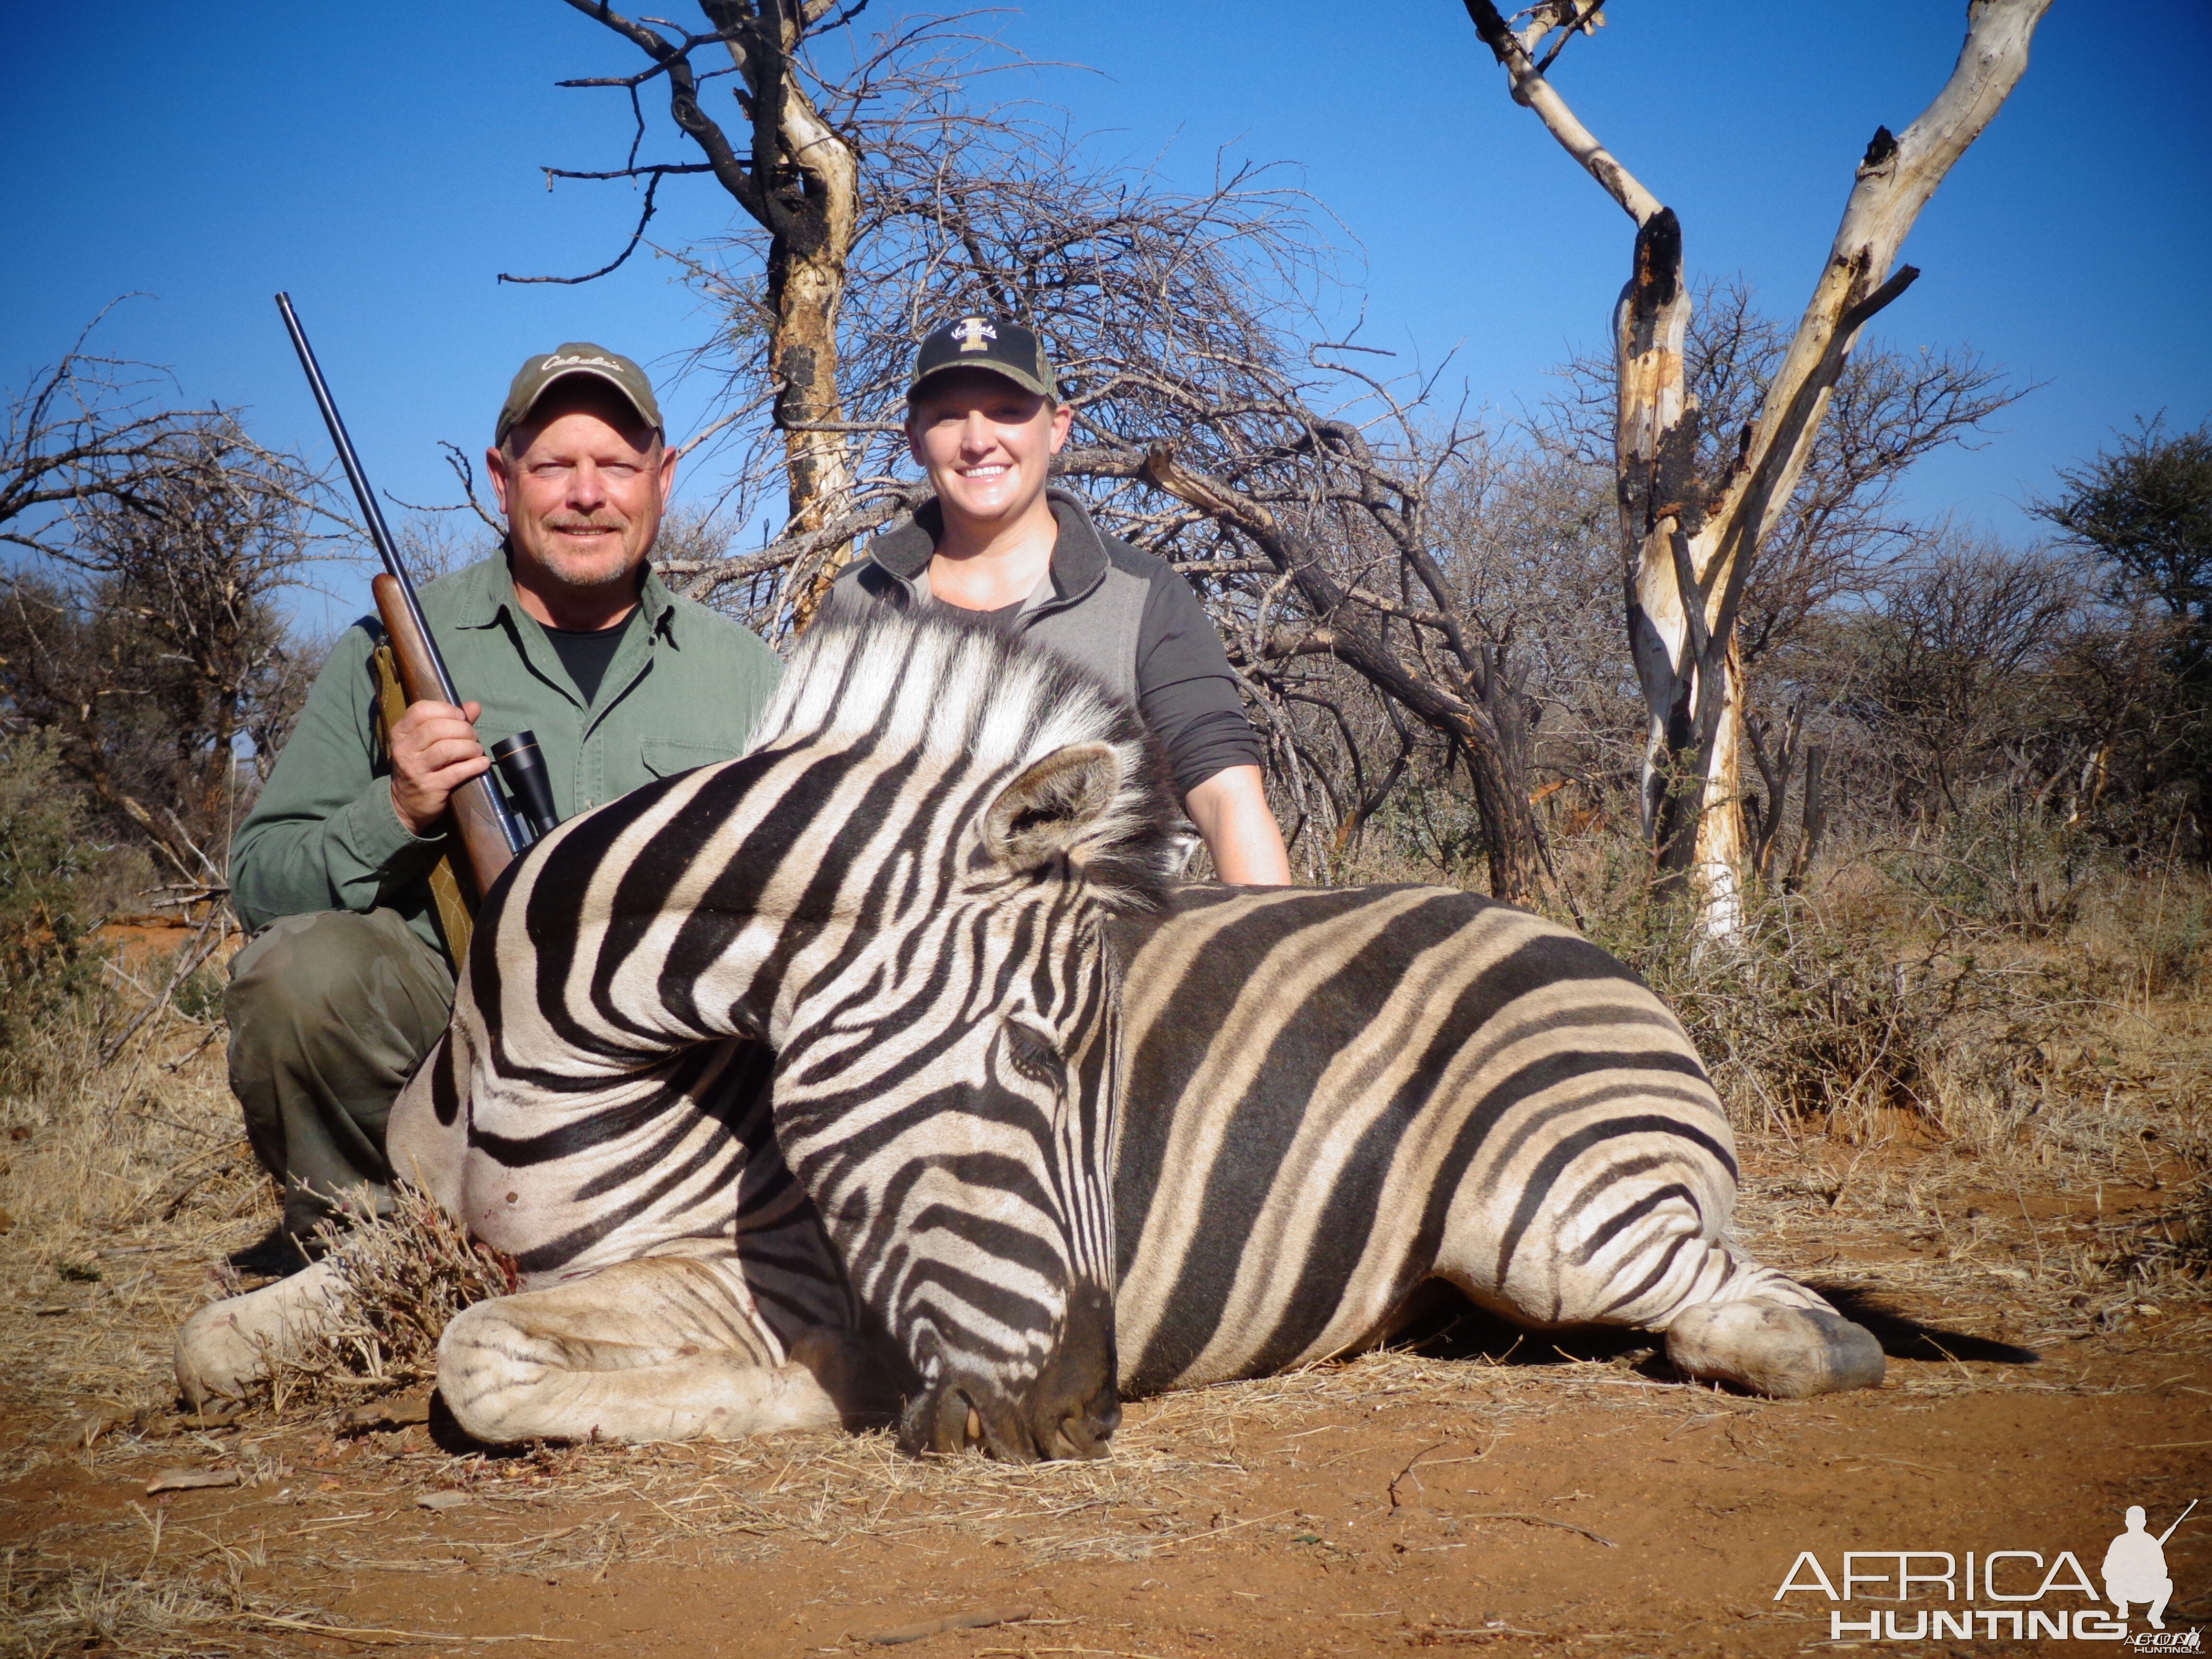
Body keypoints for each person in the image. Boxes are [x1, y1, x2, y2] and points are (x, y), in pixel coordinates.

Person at [227, 343, 782, 1244]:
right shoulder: (388, 650)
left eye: (616, 466)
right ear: (502, 477)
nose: (587, 495)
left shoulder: (748, 673)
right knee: (298, 976)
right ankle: (376, 1257)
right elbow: (259, 883)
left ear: (663, 477)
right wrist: (398, 809)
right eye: (555, 465)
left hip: (676, 1053)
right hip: (456, 1043)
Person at [834, 316, 1292, 884]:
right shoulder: (858, 600)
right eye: (949, 416)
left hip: (1095, 955)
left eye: (1007, 410)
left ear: (1057, 428)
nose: (978, 441)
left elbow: (1228, 799)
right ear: (915, 439)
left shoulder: (1145, 595)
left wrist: (1266, 952)